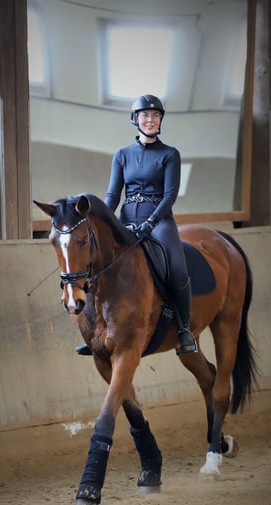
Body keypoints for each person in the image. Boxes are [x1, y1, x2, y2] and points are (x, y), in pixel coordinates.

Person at [76, 94, 198, 356]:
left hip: (159, 220)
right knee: (97, 262)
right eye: (145, 115)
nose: (150, 120)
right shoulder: (122, 155)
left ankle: (184, 329)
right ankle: (97, 330)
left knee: (177, 269)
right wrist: (101, 222)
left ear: (160, 120)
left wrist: (152, 221)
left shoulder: (169, 154)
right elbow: (112, 195)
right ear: (135, 120)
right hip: (127, 218)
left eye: (155, 116)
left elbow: (169, 196)